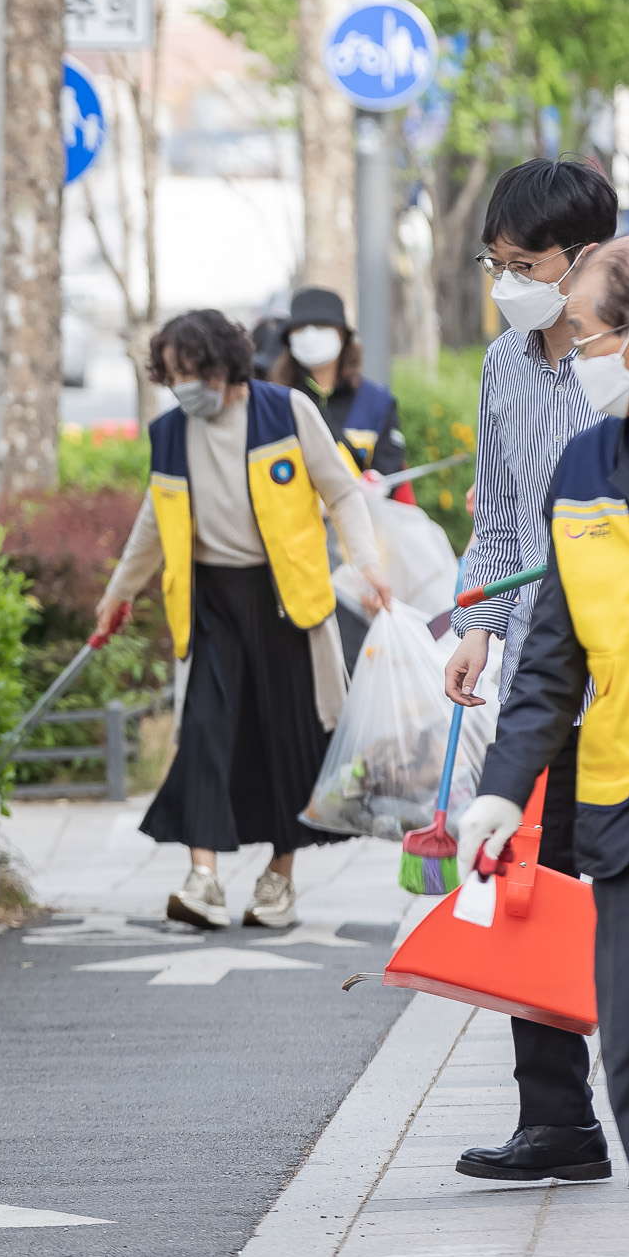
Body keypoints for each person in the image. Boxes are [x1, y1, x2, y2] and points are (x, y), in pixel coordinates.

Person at [455, 235, 629, 1257]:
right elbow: (552, 655)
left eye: (586, 333)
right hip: (627, 812)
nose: (573, 349)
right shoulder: (586, 468)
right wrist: (502, 794)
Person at [91, 311, 392, 931]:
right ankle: (203, 880)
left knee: (288, 737)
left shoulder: (286, 412)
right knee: (204, 730)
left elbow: (340, 491)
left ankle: (278, 882)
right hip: (212, 604)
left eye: (189, 373)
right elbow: (154, 522)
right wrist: (116, 595)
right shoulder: (172, 432)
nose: (180, 387)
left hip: (285, 599)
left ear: (222, 365)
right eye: (170, 375)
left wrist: (366, 564)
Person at [440, 156, 618, 1189]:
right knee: (529, 877)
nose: (509, 280)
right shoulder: (504, 362)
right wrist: (476, 622)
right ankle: (554, 1117)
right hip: (544, 661)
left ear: (585, 256)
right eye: (495, 261)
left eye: (527, 261)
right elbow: (497, 509)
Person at [270, 286, 411, 494]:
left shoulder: (377, 401)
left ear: (342, 334)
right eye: (300, 328)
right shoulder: (276, 401)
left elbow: (390, 465)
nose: (310, 336)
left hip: (359, 519)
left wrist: (377, 484)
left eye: (321, 326)